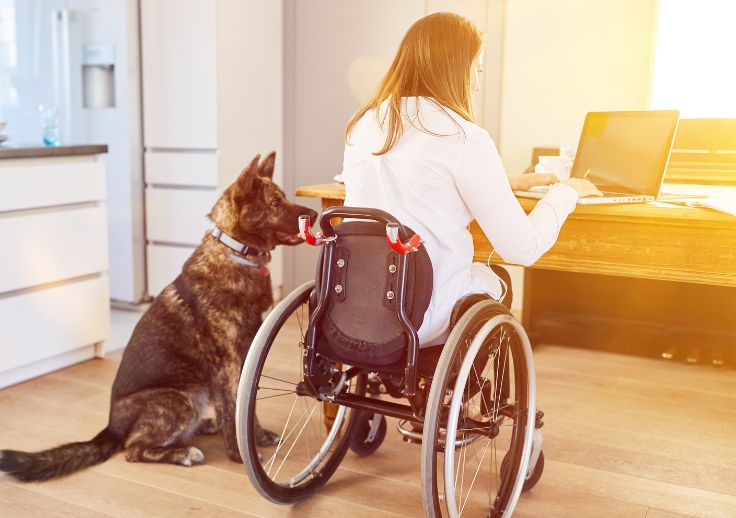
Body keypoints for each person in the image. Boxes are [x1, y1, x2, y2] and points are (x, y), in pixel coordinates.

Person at [341, 12, 601, 347]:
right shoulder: (463, 137)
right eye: (477, 69)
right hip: (423, 315)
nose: (477, 84)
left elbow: (417, 181)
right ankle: (469, 392)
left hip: (356, 311)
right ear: (456, 69)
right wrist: (565, 191)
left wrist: (503, 181)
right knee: (499, 279)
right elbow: (522, 249)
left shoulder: (364, 123)